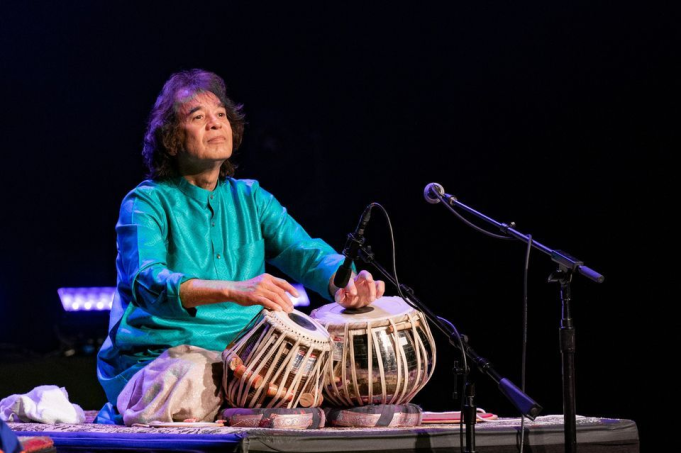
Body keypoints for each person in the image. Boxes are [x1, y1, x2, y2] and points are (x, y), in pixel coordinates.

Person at [96, 69, 385, 425]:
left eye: (221, 115)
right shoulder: (146, 203)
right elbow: (147, 281)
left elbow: (306, 253)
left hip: (247, 356)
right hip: (164, 354)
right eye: (198, 117)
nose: (215, 124)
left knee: (342, 365)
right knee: (188, 381)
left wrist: (347, 282)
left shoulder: (250, 197)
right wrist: (235, 290)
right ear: (171, 137)